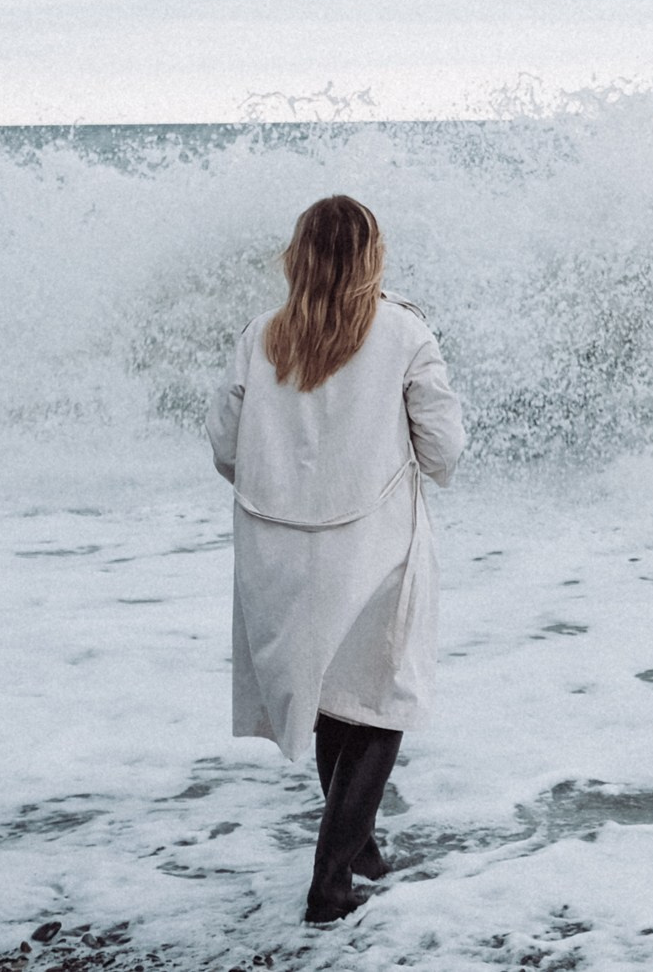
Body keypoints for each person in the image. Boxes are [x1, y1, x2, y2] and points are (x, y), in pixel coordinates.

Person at [207, 195, 467, 924]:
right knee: (382, 698)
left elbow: (226, 450)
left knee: (332, 700)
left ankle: (361, 850)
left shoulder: (261, 335)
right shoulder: (405, 331)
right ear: (372, 256)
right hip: (374, 542)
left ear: (300, 254)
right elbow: (444, 453)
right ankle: (330, 881)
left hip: (279, 550)